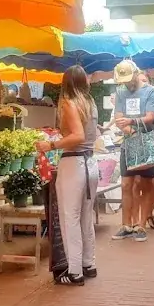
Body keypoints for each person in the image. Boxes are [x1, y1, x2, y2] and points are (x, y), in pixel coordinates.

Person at [35, 65, 98, 286]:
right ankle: (89, 264)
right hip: (90, 162)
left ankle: (74, 271)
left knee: (70, 217)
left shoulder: (69, 103)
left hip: (73, 162)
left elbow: (77, 136)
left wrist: (51, 145)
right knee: (86, 217)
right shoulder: (90, 103)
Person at [110, 60, 154, 242]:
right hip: (128, 142)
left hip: (146, 142)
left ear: (136, 74)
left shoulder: (151, 92)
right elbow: (118, 117)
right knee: (126, 184)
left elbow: (150, 117)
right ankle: (126, 224)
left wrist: (131, 122)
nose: (126, 83)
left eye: (128, 79)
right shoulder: (120, 92)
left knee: (147, 184)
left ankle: (141, 224)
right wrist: (130, 132)